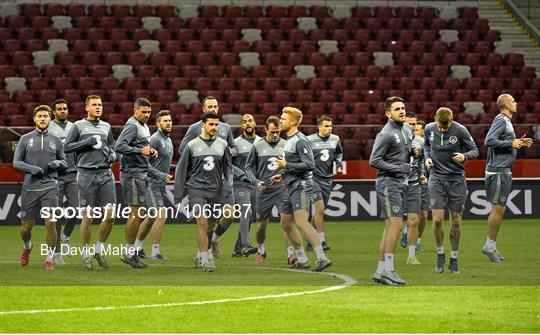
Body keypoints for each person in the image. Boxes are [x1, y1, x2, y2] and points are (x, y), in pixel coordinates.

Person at [271, 107, 331, 272]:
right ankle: (302, 258)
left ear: (292, 122)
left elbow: (310, 164)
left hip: (301, 186)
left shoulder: (300, 140)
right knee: (285, 223)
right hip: (289, 186)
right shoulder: (289, 140)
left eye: (283, 119)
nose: (280, 121)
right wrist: (283, 174)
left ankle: (321, 257)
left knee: (301, 221)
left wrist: (287, 165)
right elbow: (294, 164)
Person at [177, 96, 236, 260]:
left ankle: (215, 240)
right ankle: (203, 252)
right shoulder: (195, 128)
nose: (213, 109)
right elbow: (183, 149)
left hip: (223, 179)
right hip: (203, 180)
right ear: (203, 109)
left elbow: (233, 147)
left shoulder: (225, 128)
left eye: (215, 106)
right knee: (206, 222)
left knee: (230, 214)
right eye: (209, 106)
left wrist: (230, 152)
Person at [64, 95, 116, 271]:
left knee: (110, 216)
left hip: (106, 174)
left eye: (100, 104)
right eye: (94, 105)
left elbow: (110, 146)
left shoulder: (106, 126)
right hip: (86, 175)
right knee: (88, 217)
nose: (98, 107)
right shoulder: (78, 126)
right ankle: (86, 255)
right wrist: (85, 142)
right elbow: (66, 147)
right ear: (87, 107)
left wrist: (113, 154)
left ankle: (98, 250)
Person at [424, 107, 479, 274]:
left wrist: (465, 156)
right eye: (440, 126)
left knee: (455, 221)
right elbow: (426, 145)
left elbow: (475, 150)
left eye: (445, 127)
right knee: (437, 221)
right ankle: (440, 254)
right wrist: (427, 157)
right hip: (436, 179)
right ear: (435, 119)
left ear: (451, 120)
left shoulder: (460, 130)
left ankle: (454, 258)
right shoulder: (428, 128)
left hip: (456, 180)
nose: (442, 130)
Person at [115, 98, 168, 269]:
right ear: (135, 110)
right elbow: (119, 146)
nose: (146, 115)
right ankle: (130, 253)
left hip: (142, 174)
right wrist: (140, 150)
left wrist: (149, 151)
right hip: (132, 175)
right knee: (136, 214)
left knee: (148, 213)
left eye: (148, 112)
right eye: (143, 112)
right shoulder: (132, 125)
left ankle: (134, 249)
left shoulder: (144, 127)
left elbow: (140, 149)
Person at [13, 105, 66, 270]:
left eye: (46, 116)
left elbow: (64, 161)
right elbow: (16, 162)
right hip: (30, 187)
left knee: (50, 223)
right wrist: (33, 168)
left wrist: (57, 163)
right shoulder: (25, 139)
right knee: (25, 228)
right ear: (34, 119)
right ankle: (28, 247)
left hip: (50, 186)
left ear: (50, 118)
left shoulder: (56, 140)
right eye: (40, 116)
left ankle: (49, 258)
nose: (43, 118)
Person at [482, 94, 533, 262]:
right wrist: (511, 144)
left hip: (503, 170)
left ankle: (491, 245)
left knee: (499, 208)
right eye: (513, 101)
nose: (516, 103)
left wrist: (518, 142)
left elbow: (502, 141)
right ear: (505, 105)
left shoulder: (506, 121)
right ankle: (489, 246)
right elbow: (489, 140)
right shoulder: (501, 119)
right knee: (499, 208)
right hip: (498, 170)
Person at [369, 96, 413, 285]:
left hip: (400, 183)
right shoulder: (385, 133)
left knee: (389, 227)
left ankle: (380, 271)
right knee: (396, 225)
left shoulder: (407, 128)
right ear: (388, 114)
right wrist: (399, 168)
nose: (402, 111)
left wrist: (415, 152)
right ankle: (389, 269)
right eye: (397, 109)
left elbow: (405, 151)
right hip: (388, 183)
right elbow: (374, 161)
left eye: (403, 108)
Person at [245, 116, 295, 264]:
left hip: (282, 190)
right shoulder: (257, 146)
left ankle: (291, 254)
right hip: (263, 190)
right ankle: (261, 250)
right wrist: (255, 181)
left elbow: (292, 166)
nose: (275, 135)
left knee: (286, 224)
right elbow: (248, 167)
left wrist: (284, 174)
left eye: (278, 132)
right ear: (266, 130)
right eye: (272, 132)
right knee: (261, 227)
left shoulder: (287, 145)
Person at [134, 110, 175, 261]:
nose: (168, 123)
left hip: (159, 184)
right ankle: (155, 252)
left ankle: (136, 248)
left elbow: (162, 162)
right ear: (158, 123)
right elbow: (144, 164)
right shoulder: (155, 139)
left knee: (151, 217)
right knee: (161, 214)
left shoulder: (168, 140)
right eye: (165, 121)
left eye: (170, 121)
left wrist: (176, 168)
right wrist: (162, 175)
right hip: (150, 183)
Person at [48, 99, 78, 264]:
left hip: (72, 174)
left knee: (76, 210)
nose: (62, 111)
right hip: (55, 176)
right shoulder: (49, 128)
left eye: (65, 109)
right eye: (59, 109)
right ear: (54, 112)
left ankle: (66, 235)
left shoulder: (74, 127)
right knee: (56, 215)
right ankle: (57, 253)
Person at [307, 115, 343, 251]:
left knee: (318, 213)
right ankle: (321, 241)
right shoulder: (309, 140)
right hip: (313, 178)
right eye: (326, 126)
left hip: (327, 179)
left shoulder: (335, 139)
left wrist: (339, 161)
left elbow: (339, 152)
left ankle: (311, 239)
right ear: (319, 127)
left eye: (331, 126)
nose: (329, 129)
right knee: (320, 210)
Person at [231, 114, 261, 257]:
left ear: (254, 123)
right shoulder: (235, 143)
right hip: (240, 184)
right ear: (242, 126)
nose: (248, 124)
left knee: (250, 216)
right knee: (246, 212)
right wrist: (242, 175)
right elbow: (228, 163)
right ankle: (245, 245)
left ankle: (237, 249)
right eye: (245, 122)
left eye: (250, 121)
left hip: (256, 185)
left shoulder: (262, 142)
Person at [399, 112, 422, 265]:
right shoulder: (395, 140)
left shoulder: (420, 141)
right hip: (397, 186)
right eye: (409, 124)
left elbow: (423, 161)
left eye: (414, 124)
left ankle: (411, 256)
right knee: (394, 224)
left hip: (414, 185)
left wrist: (423, 173)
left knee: (413, 221)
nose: (412, 127)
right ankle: (388, 255)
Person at [415, 120, 429, 252]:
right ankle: (406, 233)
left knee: (424, 214)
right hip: (412, 181)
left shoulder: (429, 145)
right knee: (413, 213)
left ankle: (418, 240)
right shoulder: (412, 145)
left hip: (426, 183)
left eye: (418, 130)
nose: (415, 133)